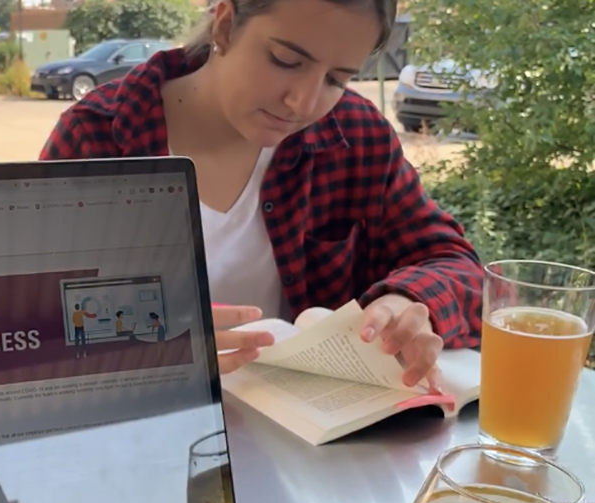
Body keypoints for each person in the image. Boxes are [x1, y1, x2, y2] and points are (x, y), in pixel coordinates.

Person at [40, 0, 484, 390]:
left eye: (336, 79)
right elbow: (17, 325)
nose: (303, 103)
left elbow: (457, 265)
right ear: (225, 25)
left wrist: (409, 301)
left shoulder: (355, 136)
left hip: (313, 452)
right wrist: (144, 336)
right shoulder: (96, 140)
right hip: (144, 438)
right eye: (286, 60)